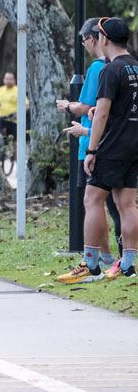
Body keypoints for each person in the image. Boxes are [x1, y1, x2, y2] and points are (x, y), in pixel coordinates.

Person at [56, 19, 123, 283]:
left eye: (84, 41)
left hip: (93, 146)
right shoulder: (122, 67)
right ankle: (113, 259)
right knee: (116, 205)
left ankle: (95, 261)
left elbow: (90, 107)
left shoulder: (98, 68)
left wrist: (68, 106)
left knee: (95, 203)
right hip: (115, 144)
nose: (84, 45)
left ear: (95, 39)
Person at [80, 17, 138, 281]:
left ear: (104, 39)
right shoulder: (136, 67)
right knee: (127, 204)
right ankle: (128, 263)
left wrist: (92, 151)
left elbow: (102, 113)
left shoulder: (109, 70)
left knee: (92, 199)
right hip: (133, 146)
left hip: (112, 146)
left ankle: (91, 264)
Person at [0, 71, 19, 145]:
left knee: (13, 141)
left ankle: (13, 155)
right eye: (6, 79)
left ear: (14, 80)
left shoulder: (17, 90)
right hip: (1, 118)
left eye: (10, 79)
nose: (8, 81)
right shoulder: (0, 90)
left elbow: (26, 105)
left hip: (13, 120)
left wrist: (17, 114)